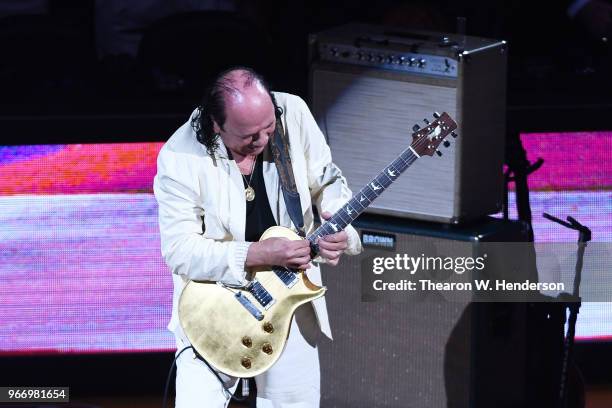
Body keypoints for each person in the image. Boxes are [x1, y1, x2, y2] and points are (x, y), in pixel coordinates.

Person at [153, 67, 362, 408]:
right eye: (249, 136)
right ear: (216, 125)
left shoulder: (291, 112)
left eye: (269, 128)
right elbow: (180, 251)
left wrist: (341, 229)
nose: (263, 140)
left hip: (290, 299)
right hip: (213, 308)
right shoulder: (179, 157)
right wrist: (256, 254)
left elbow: (328, 184)